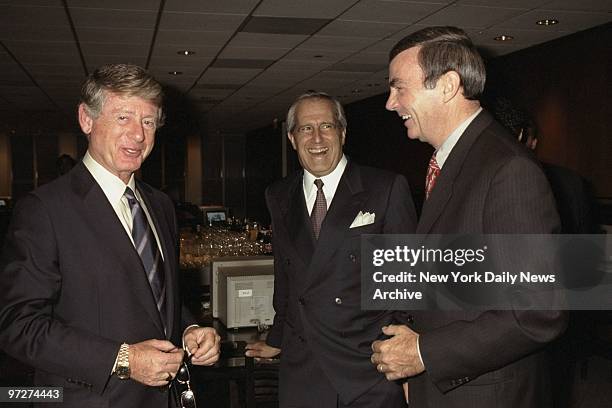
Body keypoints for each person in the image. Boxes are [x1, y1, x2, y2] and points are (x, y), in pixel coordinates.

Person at [0, 63, 220, 407]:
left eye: (148, 122)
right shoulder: (45, 209)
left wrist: (190, 329)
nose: (138, 135)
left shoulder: (160, 205)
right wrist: (124, 360)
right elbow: (17, 325)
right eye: (123, 118)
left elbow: (155, 299)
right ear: (87, 120)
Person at [370, 26, 567, 407]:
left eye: (399, 88)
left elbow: (539, 312)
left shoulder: (508, 169)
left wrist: (424, 354)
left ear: (446, 86)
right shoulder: (457, 161)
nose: (390, 103)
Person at [245, 91, 417, 407]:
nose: (317, 138)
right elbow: (286, 275)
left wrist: (403, 362)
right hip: (303, 366)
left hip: (368, 365)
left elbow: (406, 282)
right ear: (292, 139)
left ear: (343, 132)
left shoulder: (385, 187)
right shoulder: (278, 195)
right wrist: (278, 337)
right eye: (305, 129)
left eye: (326, 125)